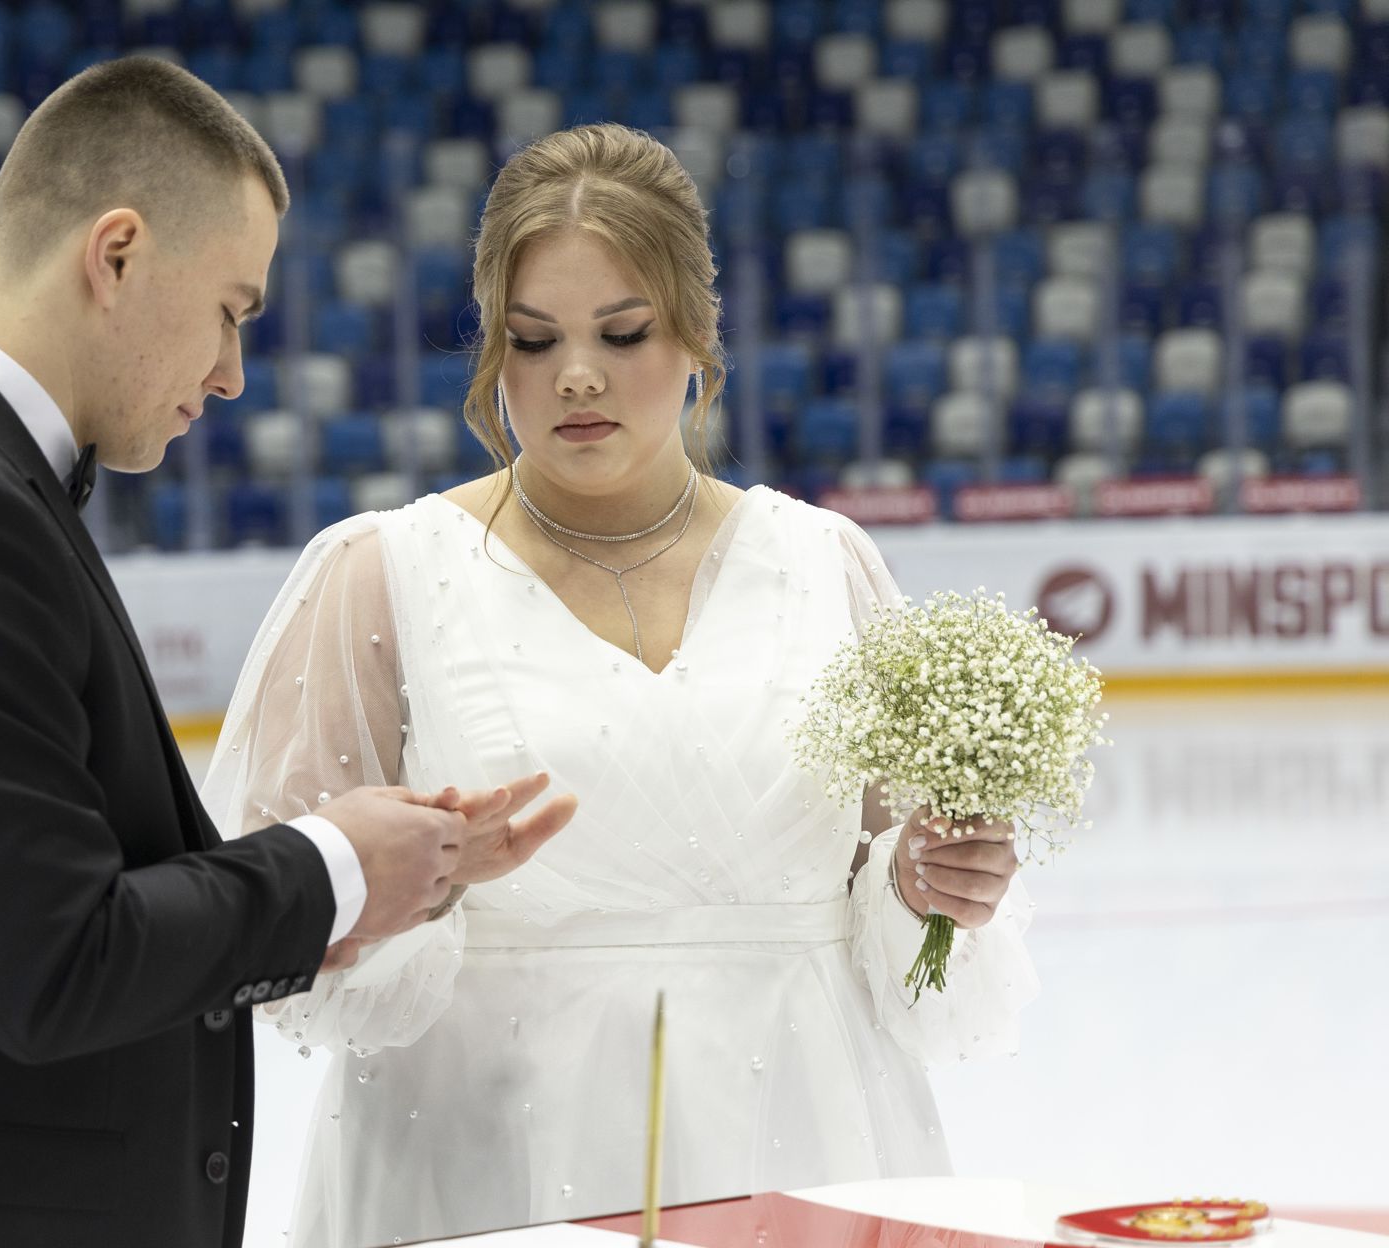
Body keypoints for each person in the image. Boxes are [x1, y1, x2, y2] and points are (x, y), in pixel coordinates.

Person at [0, 57, 569, 1248]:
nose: (231, 373)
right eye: (231, 311)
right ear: (116, 255)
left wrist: (354, 890)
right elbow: (51, 966)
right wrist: (331, 870)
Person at [201, 123, 1040, 1247]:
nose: (577, 376)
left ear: (697, 332)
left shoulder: (823, 566)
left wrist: (935, 889)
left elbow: (896, 901)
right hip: (481, 1166)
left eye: (623, 332)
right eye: (534, 341)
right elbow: (276, 925)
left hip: (812, 1139)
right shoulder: (382, 572)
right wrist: (401, 893)